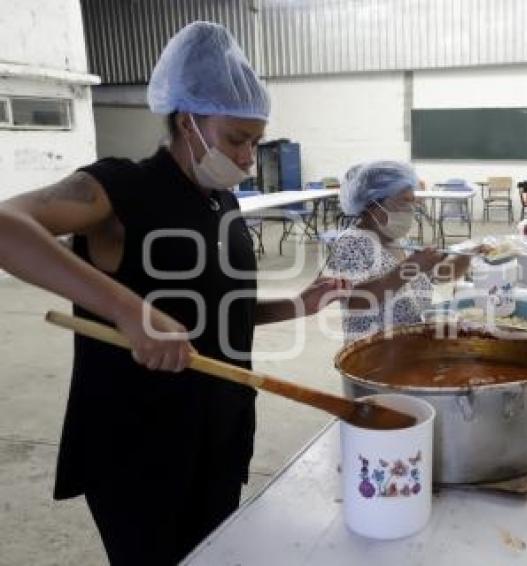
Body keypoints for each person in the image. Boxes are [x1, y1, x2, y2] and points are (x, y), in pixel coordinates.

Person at [0, 22, 345, 565]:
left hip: (220, 435)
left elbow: (218, 315)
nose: (249, 157)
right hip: (138, 447)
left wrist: (298, 305)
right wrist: (127, 310)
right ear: (189, 122)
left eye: (255, 142)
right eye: (236, 139)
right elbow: (5, 226)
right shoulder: (120, 189)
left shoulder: (222, 204)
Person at [328, 161, 480, 343]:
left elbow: (440, 274)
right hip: (375, 352)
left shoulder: (399, 240)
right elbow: (354, 301)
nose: (410, 210)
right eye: (403, 203)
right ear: (373, 205)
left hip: (410, 345)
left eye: (412, 203)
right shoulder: (352, 243)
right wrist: (410, 268)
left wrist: (468, 256)